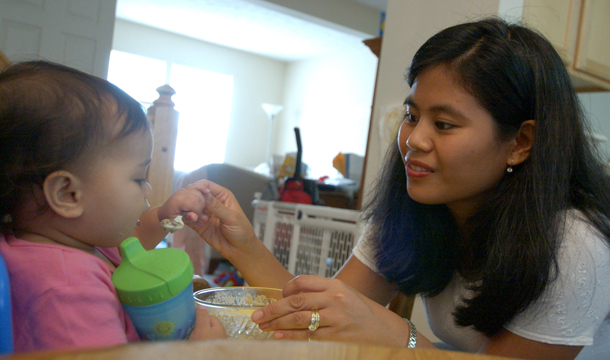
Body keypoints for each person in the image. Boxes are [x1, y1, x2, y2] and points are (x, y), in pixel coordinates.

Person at [191, 17, 610, 360]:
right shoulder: (416, 208)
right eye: (412, 115)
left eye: (443, 124)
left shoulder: (574, 246)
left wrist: (396, 336)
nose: (414, 139)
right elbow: (311, 317)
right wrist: (240, 244)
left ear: (520, 143)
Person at [0, 61, 226, 353]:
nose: (147, 188)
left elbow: (131, 246)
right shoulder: (69, 290)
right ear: (68, 194)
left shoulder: (71, 240)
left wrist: (161, 215)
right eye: (137, 178)